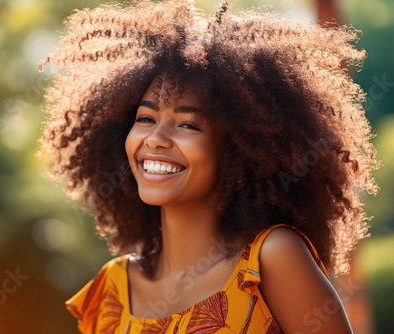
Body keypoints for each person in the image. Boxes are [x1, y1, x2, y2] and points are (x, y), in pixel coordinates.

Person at [37, 0, 379, 332]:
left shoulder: (270, 259)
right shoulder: (113, 290)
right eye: (145, 118)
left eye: (188, 125)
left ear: (240, 149)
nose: (156, 138)